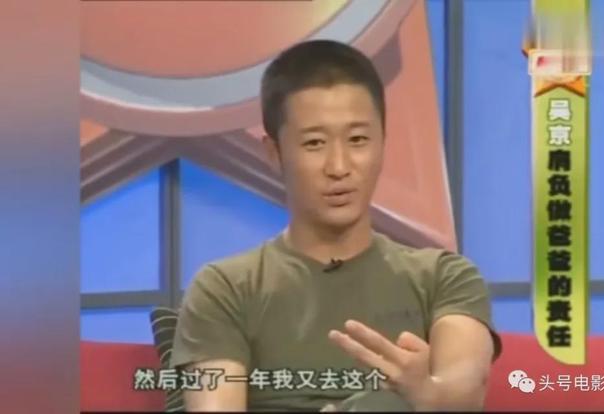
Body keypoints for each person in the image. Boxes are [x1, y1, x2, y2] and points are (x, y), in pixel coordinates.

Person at [170, 39, 502, 412]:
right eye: (315, 143)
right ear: (274, 153)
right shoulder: (225, 288)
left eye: (358, 140)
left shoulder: (442, 277)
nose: (339, 167)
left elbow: (466, 387)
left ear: (383, 143)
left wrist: (427, 392)